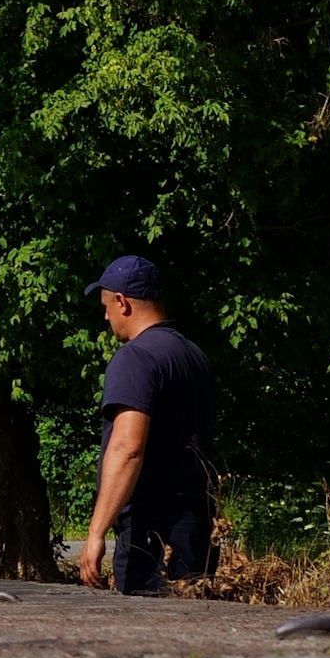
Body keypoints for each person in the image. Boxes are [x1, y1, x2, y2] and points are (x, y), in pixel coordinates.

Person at [78, 255, 216, 594]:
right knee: (194, 618)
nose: (105, 316)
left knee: (145, 622)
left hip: (151, 531)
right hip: (196, 525)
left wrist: (96, 533)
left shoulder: (136, 357)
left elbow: (127, 448)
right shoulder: (193, 355)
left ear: (122, 302)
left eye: (106, 306)